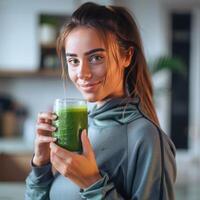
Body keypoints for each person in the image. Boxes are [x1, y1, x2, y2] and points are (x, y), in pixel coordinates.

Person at [25, 2, 176, 200]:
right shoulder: (82, 127)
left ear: (126, 56)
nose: (82, 73)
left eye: (96, 58)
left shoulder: (146, 138)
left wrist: (92, 184)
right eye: (73, 60)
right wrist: (41, 166)